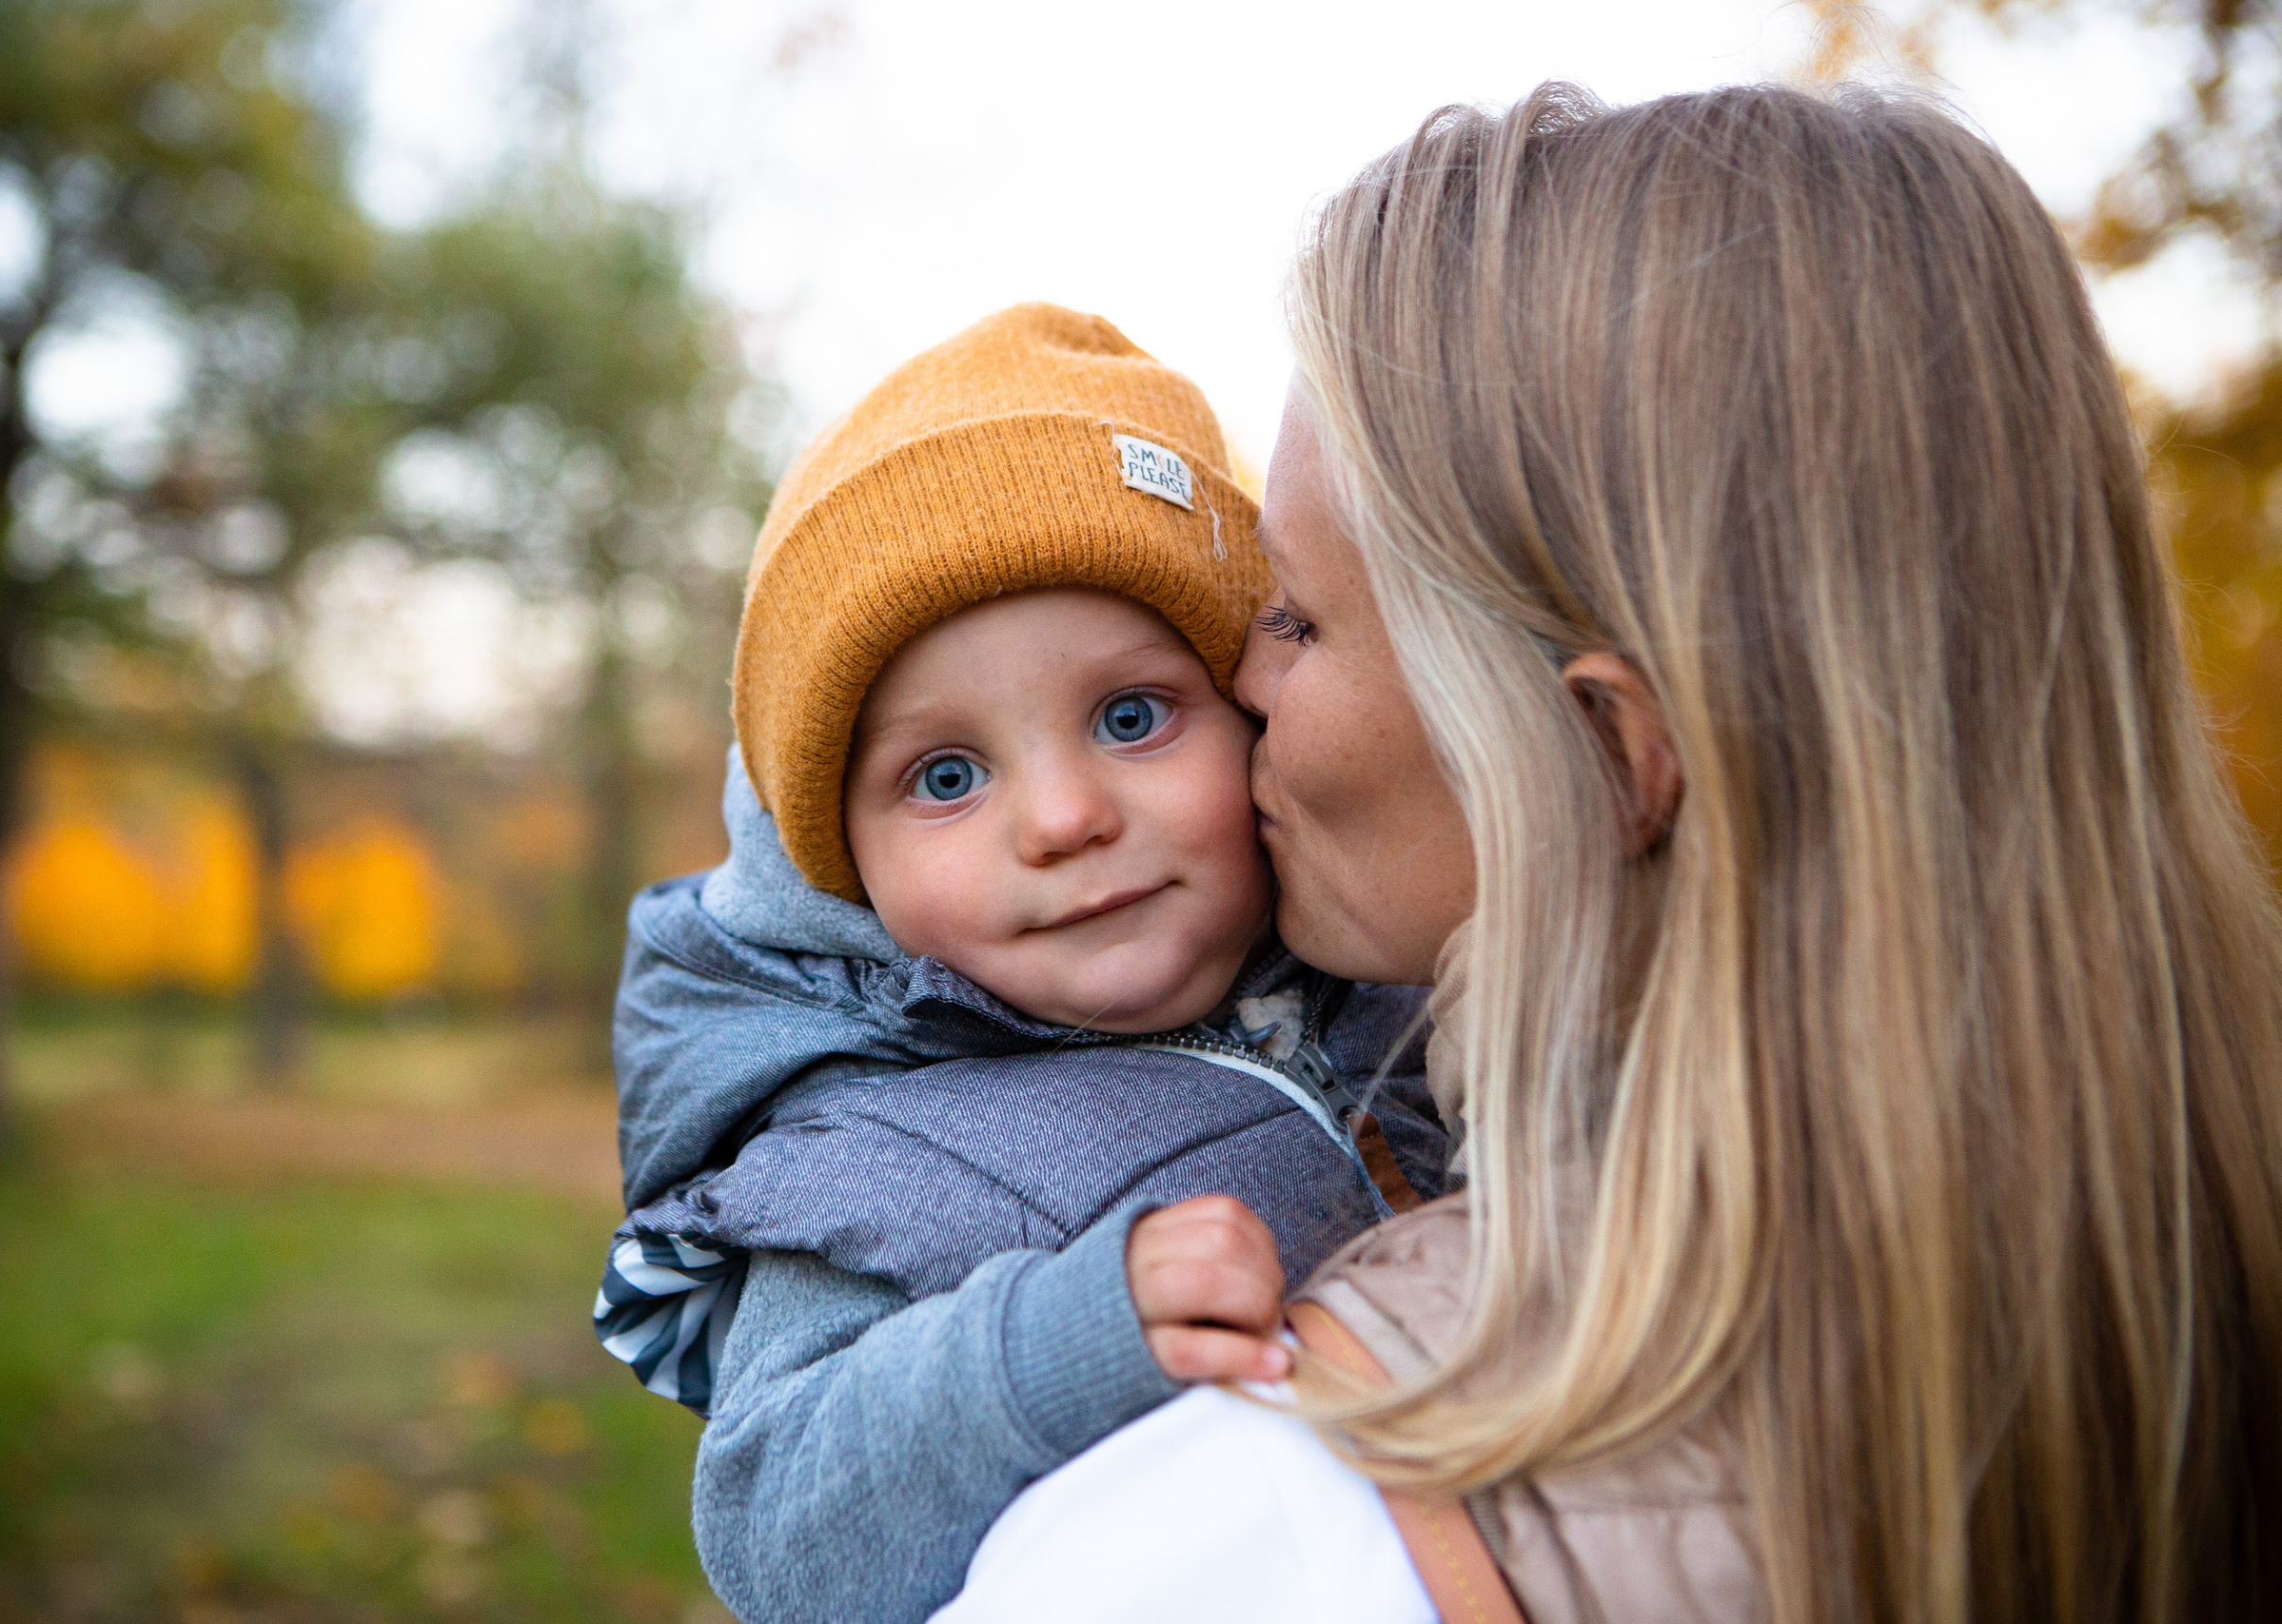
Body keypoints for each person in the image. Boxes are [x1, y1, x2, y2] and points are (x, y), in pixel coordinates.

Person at [934, 84, 2282, 1624]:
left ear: (1605, 761)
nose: (1237, 690)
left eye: (1296, 617)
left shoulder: (1255, 1534)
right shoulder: (2202, 1299)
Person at [592, 303, 1450, 1624]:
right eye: (945, 777)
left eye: (1130, 716)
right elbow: (778, 1534)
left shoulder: (1399, 978)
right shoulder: (864, 1169)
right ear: (842, 864)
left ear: (1248, 709)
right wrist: (1053, 1351)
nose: (1061, 820)